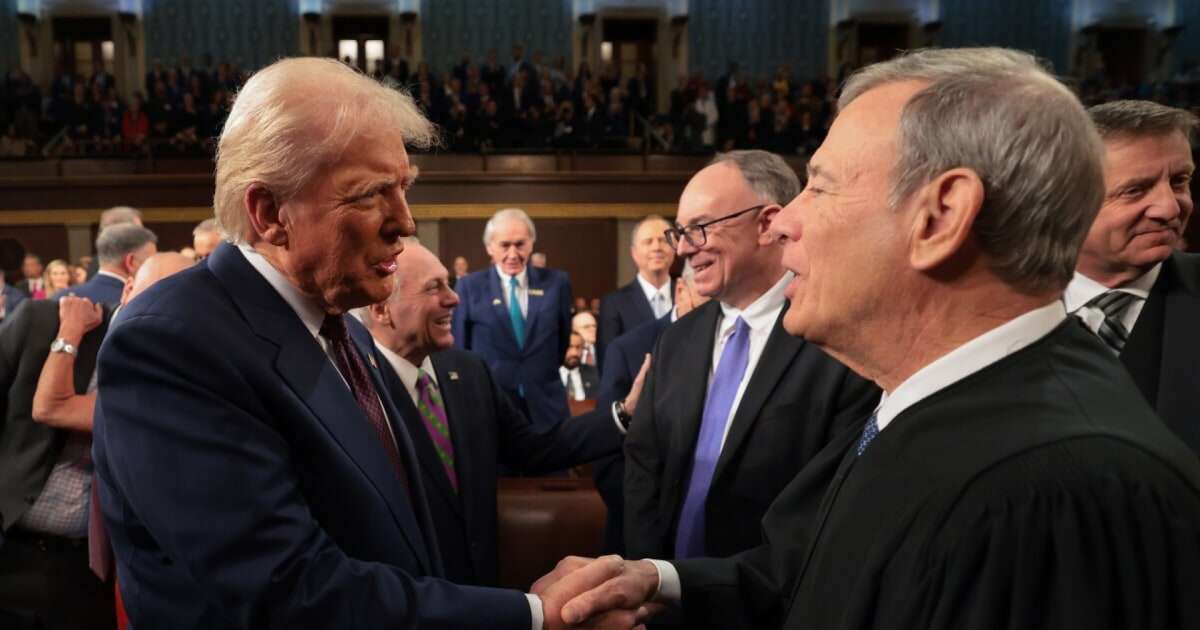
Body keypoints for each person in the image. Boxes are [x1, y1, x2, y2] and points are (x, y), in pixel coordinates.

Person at [534, 47, 1200, 630]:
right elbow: (807, 575)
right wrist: (658, 580)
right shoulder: (921, 405)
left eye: (819, 187)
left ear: (940, 216)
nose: (784, 222)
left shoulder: (1059, 492)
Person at [91, 57, 582, 630]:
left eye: (404, 189)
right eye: (372, 195)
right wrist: (534, 617)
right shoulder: (169, 344)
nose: (406, 222)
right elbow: (291, 594)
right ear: (271, 212)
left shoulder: (344, 329)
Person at [623, 150, 880, 562]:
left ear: (766, 224)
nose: (684, 250)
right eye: (680, 232)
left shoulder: (837, 340)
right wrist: (647, 582)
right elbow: (643, 469)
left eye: (700, 228)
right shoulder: (675, 340)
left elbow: (828, 505)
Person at [360, 241, 641, 586]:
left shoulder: (468, 371)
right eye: (434, 288)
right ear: (381, 308)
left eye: (449, 283)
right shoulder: (354, 386)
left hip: (482, 592)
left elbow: (536, 450)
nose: (454, 298)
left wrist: (624, 414)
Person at [1068, 100, 1200, 454]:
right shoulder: (986, 308)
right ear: (1064, 199)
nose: (1170, 208)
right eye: (1135, 190)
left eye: (1179, 181)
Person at [592, 261, 709, 554]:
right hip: (641, 532)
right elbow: (607, 457)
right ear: (681, 290)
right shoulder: (629, 348)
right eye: (709, 301)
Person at [452, 208, 573, 428]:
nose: (513, 254)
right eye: (504, 245)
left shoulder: (557, 283)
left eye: (520, 244)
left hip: (547, 408)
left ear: (531, 243)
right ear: (490, 247)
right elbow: (461, 349)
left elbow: (561, 342)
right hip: (491, 409)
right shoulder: (469, 287)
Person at [597, 216, 675, 368]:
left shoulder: (691, 296)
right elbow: (608, 364)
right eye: (648, 242)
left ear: (674, 248)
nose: (656, 247)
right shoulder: (614, 304)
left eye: (663, 240)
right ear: (634, 253)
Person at [70, 224, 157, 307]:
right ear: (130, 261)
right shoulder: (139, 302)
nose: (153, 269)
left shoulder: (62, 298)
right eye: (150, 262)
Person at [559, 332, 597, 401]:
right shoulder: (548, 375)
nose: (574, 353)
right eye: (569, 347)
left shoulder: (595, 375)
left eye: (578, 347)